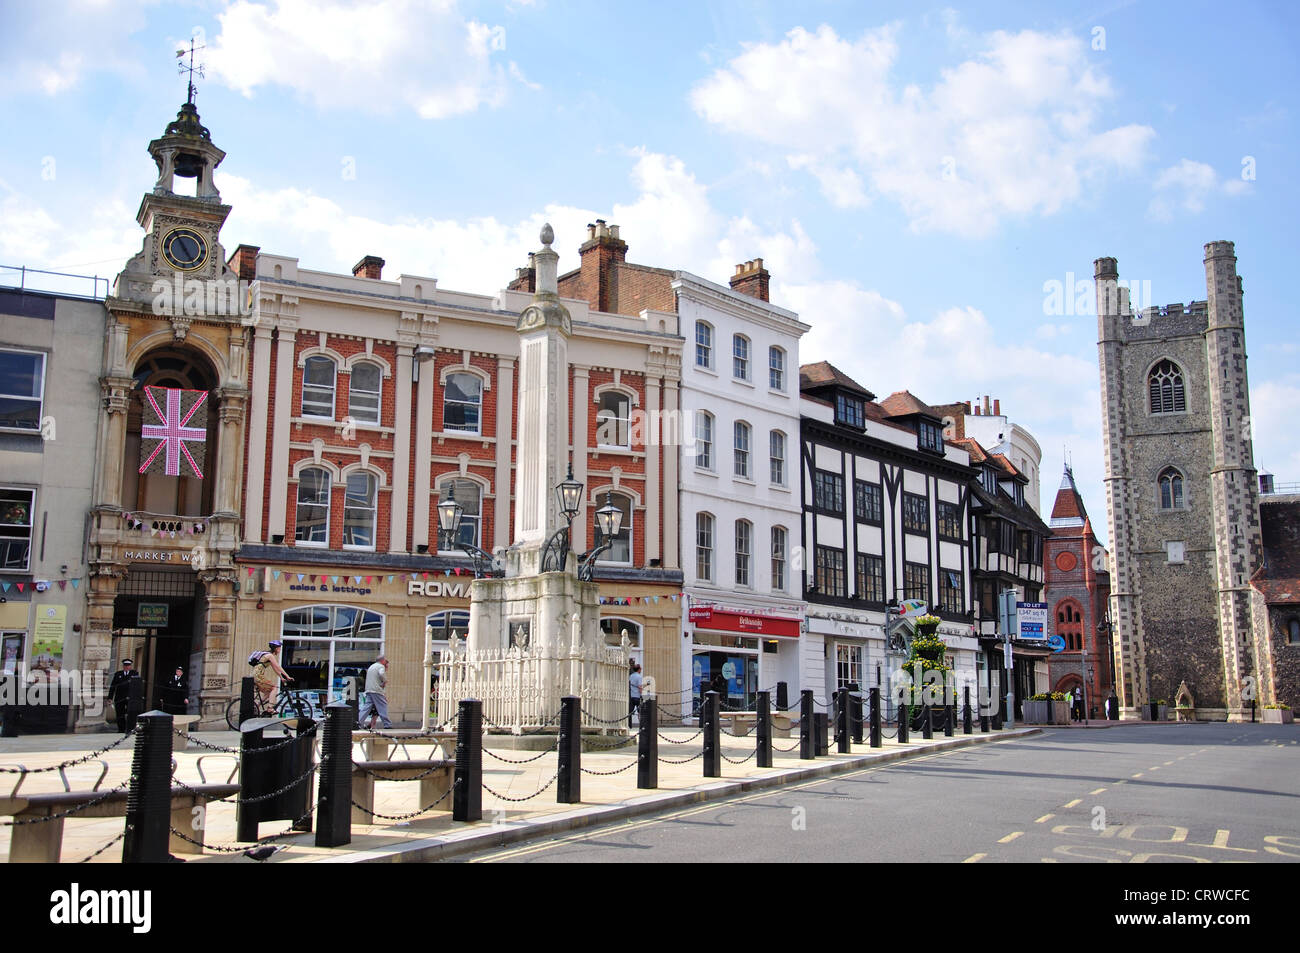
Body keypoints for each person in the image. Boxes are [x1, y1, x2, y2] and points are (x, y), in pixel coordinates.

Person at [251, 641, 292, 712]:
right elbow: (278, 666)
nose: (280, 650)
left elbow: (275, 669)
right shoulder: (270, 656)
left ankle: (256, 706)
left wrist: (282, 678)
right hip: (258, 675)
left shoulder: (269, 656)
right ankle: (270, 708)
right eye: (279, 648)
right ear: (276, 648)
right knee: (274, 688)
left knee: (269, 691)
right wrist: (287, 676)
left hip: (257, 674)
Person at [358, 653, 391, 730]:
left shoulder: (371, 667)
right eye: (385, 661)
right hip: (376, 690)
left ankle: (358, 722)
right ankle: (387, 724)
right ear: (382, 660)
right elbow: (382, 673)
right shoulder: (380, 666)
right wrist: (385, 681)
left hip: (369, 690)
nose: (386, 662)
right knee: (383, 706)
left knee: (366, 707)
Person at [107, 659, 141, 733]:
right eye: (125, 665)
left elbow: (137, 686)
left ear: (130, 666)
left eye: (128, 665)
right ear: (123, 666)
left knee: (131, 713)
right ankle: (121, 729)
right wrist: (110, 697)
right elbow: (113, 686)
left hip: (130, 698)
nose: (127, 667)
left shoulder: (134, 673)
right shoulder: (118, 674)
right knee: (120, 713)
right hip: (120, 697)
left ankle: (130, 728)